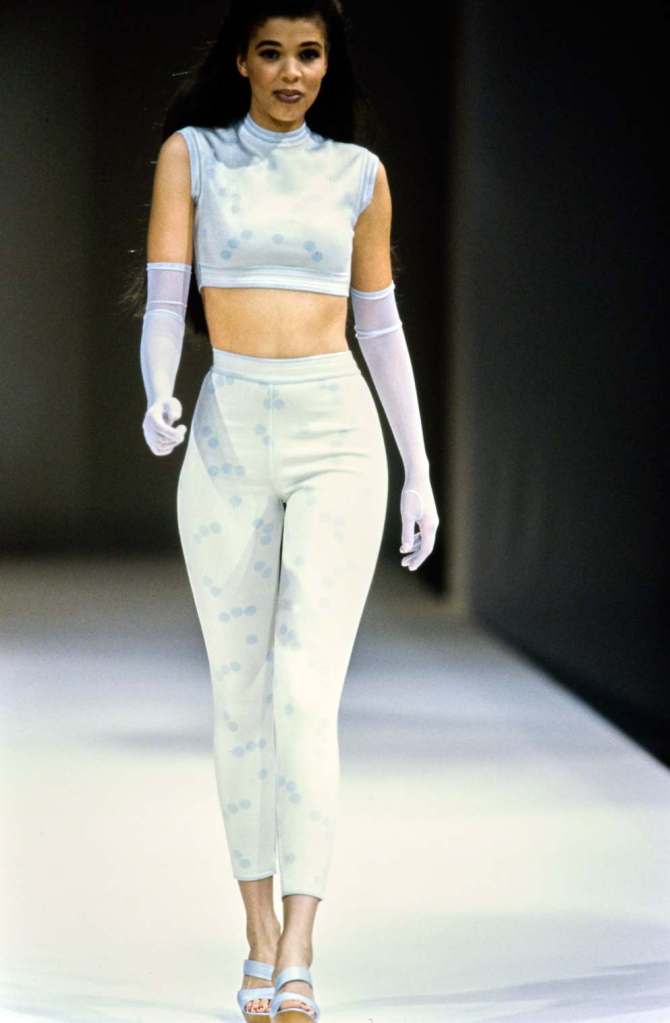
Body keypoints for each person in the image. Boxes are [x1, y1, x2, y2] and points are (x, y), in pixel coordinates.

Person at [137, 2, 438, 1019]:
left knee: (305, 694)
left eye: (308, 54)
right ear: (242, 60)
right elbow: (167, 296)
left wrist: (418, 468)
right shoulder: (194, 157)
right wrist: (157, 390)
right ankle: (258, 934)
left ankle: (302, 944)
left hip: (335, 436)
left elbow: (380, 326)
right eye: (272, 53)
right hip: (227, 432)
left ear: (326, 63)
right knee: (239, 696)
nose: (291, 72)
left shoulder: (358, 175)